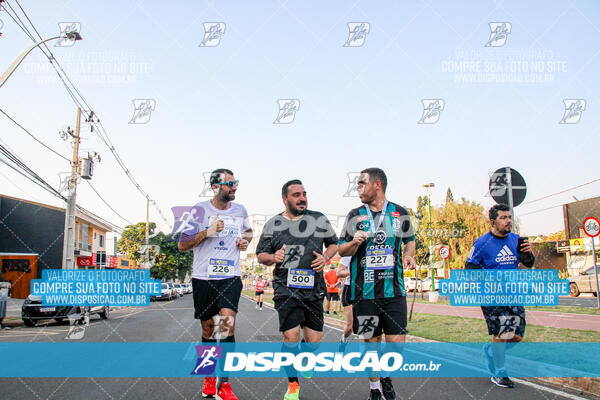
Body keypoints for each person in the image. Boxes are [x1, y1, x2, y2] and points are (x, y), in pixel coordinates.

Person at [338, 168, 416, 400]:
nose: (358, 188)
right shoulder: (354, 215)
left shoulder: (399, 213)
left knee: (396, 346)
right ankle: (375, 389)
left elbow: (410, 242)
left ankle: (385, 377)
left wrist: (409, 255)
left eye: (362, 183)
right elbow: (341, 249)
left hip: (394, 291)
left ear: (377, 185)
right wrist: (353, 242)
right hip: (364, 292)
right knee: (370, 344)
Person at [257, 179, 338, 400]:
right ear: (285, 199)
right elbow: (260, 255)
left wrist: (325, 257)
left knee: (314, 342)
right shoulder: (273, 224)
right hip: (285, 288)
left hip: (313, 289)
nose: (302, 198)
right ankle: (293, 384)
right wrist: (273, 257)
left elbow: (333, 243)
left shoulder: (318, 218)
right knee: (290, 337)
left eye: (304, 193)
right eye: (296, 195)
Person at [178, 168, 253, 400]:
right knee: (208, 329)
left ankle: (225, 384)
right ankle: (209, 376)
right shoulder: (199, 210)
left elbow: (249, 232)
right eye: (231, 183)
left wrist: (244, 241)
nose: (235, 187)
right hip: (203, 277)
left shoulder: (240, 210)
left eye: (236, 182)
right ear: (215, 187)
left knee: (227, 325)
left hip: (230, 276)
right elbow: (182, 244)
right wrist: (207, 232)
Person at [465, 203, 535, 388]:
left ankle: (491, 350)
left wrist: (528, 253)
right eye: (503, 217)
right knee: (501, 332)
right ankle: (499, 371)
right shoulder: (482, 243)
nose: (508, 221)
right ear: (493, 221)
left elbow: (528, 263)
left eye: (509, 217)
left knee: (516, 336)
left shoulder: (516, 240)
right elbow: (470, 267)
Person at [336, 256, 353, 342]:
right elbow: (338, 273)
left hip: (366, 288)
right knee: (350, 326)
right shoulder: (348, 254)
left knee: (365, 321)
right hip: (349, 288)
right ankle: (344, 339)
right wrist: (354, 272)